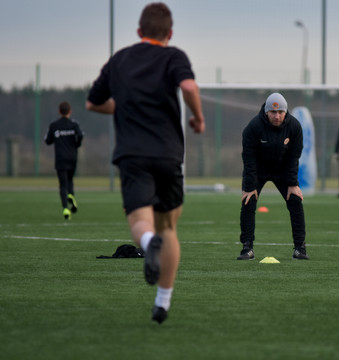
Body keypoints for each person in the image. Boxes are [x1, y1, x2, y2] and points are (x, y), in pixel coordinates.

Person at [86, 2, 205, 324]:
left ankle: (148, 243)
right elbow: (190, 87)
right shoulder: (174, 56)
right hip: (168, 155)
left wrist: (123, 108)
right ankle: (162, 303)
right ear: (170, 33)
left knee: (142, 222)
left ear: (139, 31)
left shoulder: (120, 58)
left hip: (132, 155)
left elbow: (92, 102)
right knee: (170, 228)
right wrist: (197, 116)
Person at [238, 92, 309, 260]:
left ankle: (300, 248)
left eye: (280, 112)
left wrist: (292, 183)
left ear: (285, 112)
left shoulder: (294, 127)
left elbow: (294, 157)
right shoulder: (253, 127)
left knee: (295, 201)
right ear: (266, 113)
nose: (277, 116)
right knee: (248, 201)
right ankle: (247, 247)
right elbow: (248, 159)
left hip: (283, 170)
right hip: (258, 170)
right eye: (273, 112)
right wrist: (250, 186)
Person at [44, 101, 84, 220]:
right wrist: (77, 144)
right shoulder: (74, 124)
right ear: (70, 111)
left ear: (59, 111)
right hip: (72, 157)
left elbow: (47, 140)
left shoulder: (54, 125)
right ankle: (71, 195)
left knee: (62, 184)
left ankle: (66, 209)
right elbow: (81, 135)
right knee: (70, 180)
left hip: (60, 158)